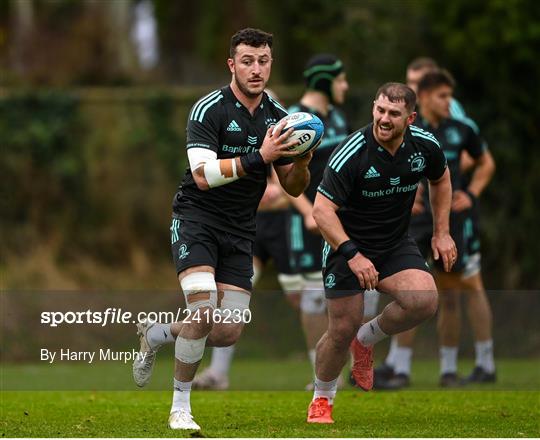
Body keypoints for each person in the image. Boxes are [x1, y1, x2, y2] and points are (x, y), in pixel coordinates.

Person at [131, 28, 312, 431]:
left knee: (228, 332)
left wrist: (301, 161)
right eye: (247, 61)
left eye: (263, 61)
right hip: (196, 220)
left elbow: (293, 187)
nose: (256, 69)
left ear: (271, 64)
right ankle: (180, 407)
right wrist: (259, 156)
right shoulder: (208, 109)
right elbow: (201, 175)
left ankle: (157, 333)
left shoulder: (279, 117)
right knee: (202, 307)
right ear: (232, 64)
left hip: (240, 231)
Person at [306, 82, 456, 424]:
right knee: (341, 328)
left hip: (393, 244)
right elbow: (321, 212)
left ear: (411, 118)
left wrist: (442, 232)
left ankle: (366, 339)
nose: (384, 119)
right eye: (380, 110)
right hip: (346, 246)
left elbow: (441, 179)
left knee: (424, 301)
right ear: (373, 108)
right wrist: (353, 255)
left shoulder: (424, 145)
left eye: (393, 114)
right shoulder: (352, 151)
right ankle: (322, 399)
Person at [374, 63, 496, 389]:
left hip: (452, 222)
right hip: (414, 222)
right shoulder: (408, 128)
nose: (448, 101)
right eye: (443, 96)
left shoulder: (460, 127)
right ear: (425, 97)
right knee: (411, 292)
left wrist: (469, 193)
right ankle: (399, 369)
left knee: (453, 294)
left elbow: (482, 163)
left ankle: (449, 369)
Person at [191, 168, 303, 390]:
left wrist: (279, 193)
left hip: (288, 227)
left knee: (301, 299)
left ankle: (331, 369)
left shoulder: (289, 143)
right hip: (253, 225)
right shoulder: (243, 144)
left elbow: (297, 190)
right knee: (231, 296)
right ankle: (218, 373)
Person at [287, 54, 350, 387]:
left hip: (339, 221)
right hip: (309, 223)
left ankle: (346, 365)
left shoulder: (339, 118)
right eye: (340, 79)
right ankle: (319, 370)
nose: (346, 86)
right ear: (325, 81)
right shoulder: (295, 120)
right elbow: (281, 179)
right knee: (313, 295)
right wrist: (308, 213)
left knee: (351, 293)